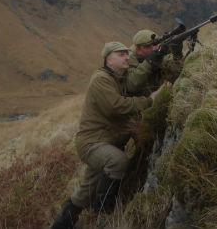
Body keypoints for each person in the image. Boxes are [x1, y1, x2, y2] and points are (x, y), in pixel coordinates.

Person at [50, 41, 166, 229]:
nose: (127, 56)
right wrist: (149, 101)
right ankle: (102, 216)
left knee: (86, 192)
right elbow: (115, 107)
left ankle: (60, 225)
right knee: (117, 162)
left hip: (106, 143)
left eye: (127, 54)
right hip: (92, 143)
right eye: (120, 54)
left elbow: (136, 80)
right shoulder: (101, 79)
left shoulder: (120, 79)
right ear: (108, 59)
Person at [127, 29, 183, 97]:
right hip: (142, 98)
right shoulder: (129, 57)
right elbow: (131, 85)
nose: (154, 49)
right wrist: (149, 62)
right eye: (148, 46)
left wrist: (177, 54)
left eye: (155, 44)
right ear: (138, 50)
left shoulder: (160, 49)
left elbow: (177, 70)